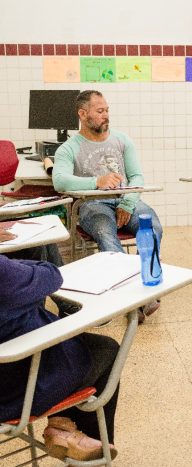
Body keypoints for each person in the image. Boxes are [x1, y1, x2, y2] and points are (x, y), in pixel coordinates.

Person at [0, 254, 120, 467]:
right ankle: (85, 465)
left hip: (14, 366)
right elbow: (51, 275)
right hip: (16, 389)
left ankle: (63, 427)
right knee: (106, 349)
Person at [52, 90, 162, 323]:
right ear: (83, 114)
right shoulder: (68, 148)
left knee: (153, 228)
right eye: (100, 111)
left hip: (127, 200)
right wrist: (97, 182)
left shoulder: (122, 140)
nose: (106, 115)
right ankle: (134, 298)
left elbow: (136, 176)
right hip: (92, 204)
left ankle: (144, 287)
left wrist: (128, 203)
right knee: (105, 233)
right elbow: (60, 181)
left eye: (107, 110)